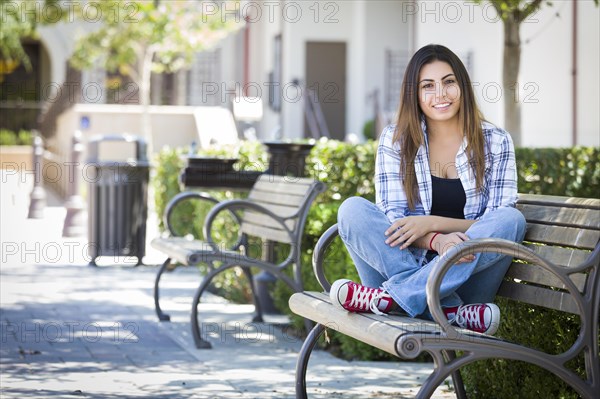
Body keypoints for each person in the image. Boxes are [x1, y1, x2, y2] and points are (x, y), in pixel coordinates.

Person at [330, 44, 526, 335]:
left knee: (512, 220)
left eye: (449, 82)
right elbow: (394, 224)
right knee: (352, 210)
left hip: (468, 276)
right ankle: (446, 307)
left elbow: (495, 220)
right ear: (415, 94)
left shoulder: (496, 141)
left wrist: (433, 223)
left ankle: (392, 298)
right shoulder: (395, 141)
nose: (440, 94)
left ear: (462, 86)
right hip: (421, 278)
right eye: (428, 86)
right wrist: (436, 241)